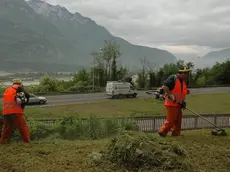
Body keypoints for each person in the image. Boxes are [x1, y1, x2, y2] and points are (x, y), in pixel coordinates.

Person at [158, 66, 191, 137]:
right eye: (186, 73)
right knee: (171, 120)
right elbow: (165, 87)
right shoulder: (173, 78)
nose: (187, 75)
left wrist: (183, 102)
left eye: (188, 73)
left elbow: (181, 93)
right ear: (181, 73)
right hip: (171, 104)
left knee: (178, 121)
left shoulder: (183, 82)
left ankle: (176, 134)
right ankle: (162, 131)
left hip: (179, 104)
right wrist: (170, 94)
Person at [0, 79, 31, 144]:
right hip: (15, 111)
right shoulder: (19, 88)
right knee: (22, 126)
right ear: (20, 84)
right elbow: (27, 95)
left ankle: (4, 142)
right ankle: (26, 141)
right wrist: (23, 105)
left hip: (5, 112)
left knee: (6, 128)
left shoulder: (7, 89)